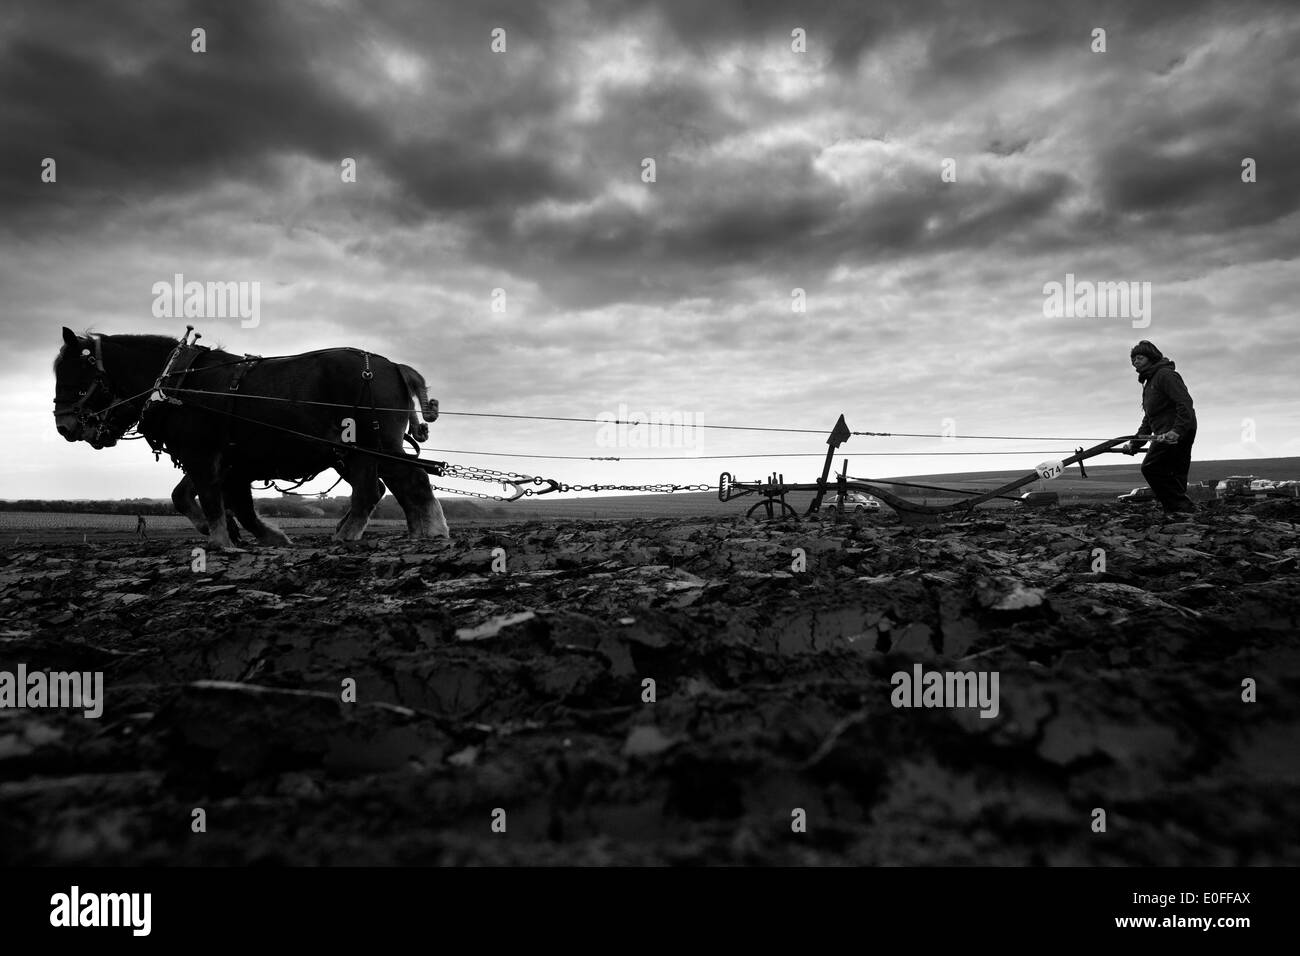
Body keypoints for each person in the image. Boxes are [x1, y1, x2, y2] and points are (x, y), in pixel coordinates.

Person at [1122, 340, 1198, 514]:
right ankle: (1178, 512)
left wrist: (1176, 431)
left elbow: (1185, 403)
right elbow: (1149, 418)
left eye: (1139, 357)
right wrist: (1135, 443)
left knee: (1151, 467)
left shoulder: (1165, 375)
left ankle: (1180, 506)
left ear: (1150, 357)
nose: (1135, 362)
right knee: (1174, 472)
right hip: (1166, 431)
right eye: (1133, 359)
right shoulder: (1149, 383)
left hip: (1176, 430)